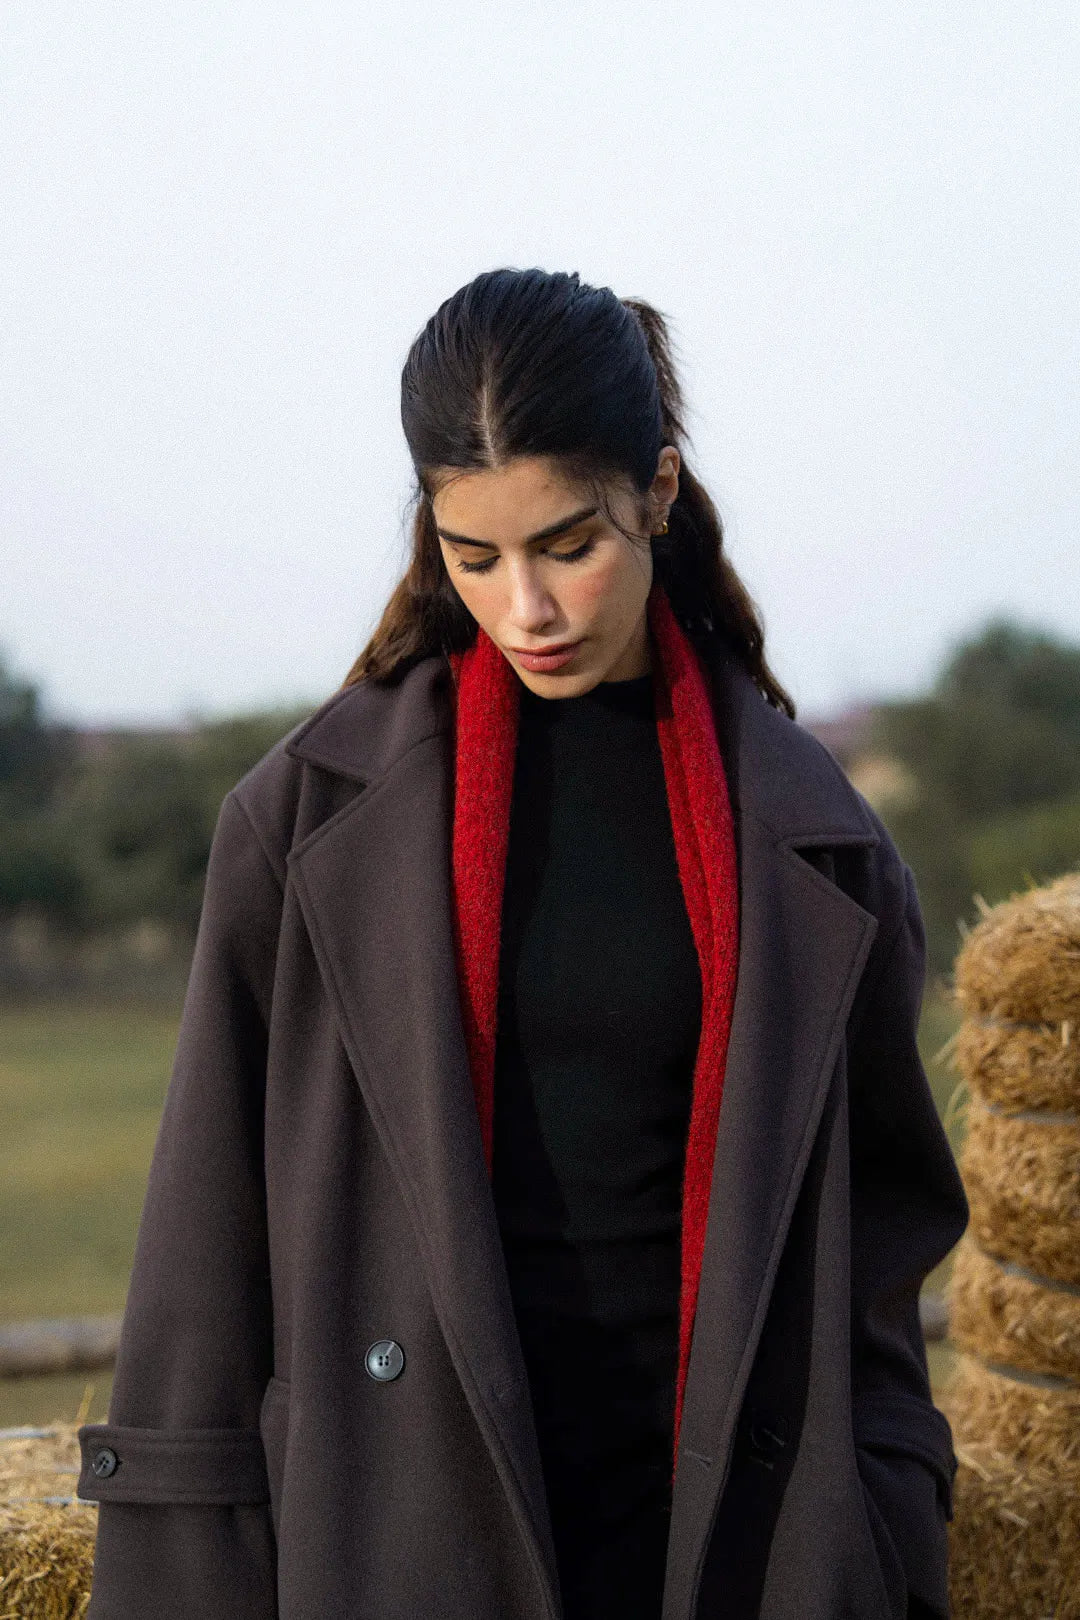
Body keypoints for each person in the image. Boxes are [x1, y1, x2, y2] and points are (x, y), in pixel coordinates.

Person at [77, 268, 969, 1620]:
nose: (526, 609)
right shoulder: (304, 825)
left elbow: (882, 1255)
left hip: (735, 1542)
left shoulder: (819, 846)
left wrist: (890, 1505)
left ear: (658, 494)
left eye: (568, 545)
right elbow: (204, 1260)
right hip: (409, 1529)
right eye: (472, 554)